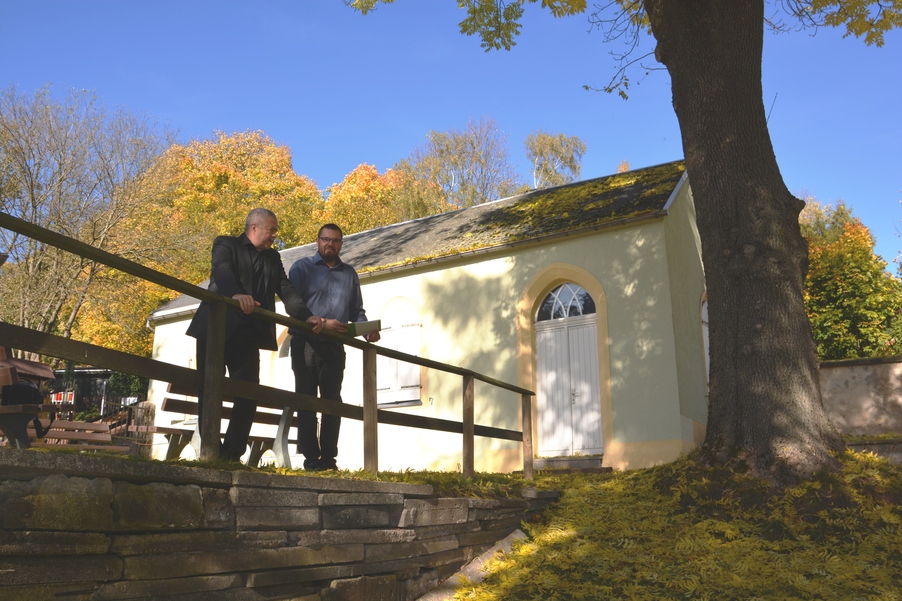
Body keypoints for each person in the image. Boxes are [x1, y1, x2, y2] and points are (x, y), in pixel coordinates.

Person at [186, 208, 323, 461]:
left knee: (249, 392)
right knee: (209, 388)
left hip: (248, 335)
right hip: (216, 328)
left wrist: (306, 315)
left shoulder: (273, 257)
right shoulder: (225, 244)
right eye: (271, 230)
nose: (275, 235)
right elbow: (222, 271)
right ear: (254, 228)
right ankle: (210, 451)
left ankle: (231, 454)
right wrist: (236, 294)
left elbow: (286, 289)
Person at [288, 223, 380, 471]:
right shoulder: (301, 268)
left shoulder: (349, 274)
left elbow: (356, 311)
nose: (331, 244)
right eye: (326, 239)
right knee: (306, 399)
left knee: (332, 402)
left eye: (336, 240)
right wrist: (319, 321)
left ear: (341, 244)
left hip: (334, 345)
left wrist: (366, 329)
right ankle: (310, 459)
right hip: (305, 341)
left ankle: (328, 460)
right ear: (317, 241)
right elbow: (293, 304)